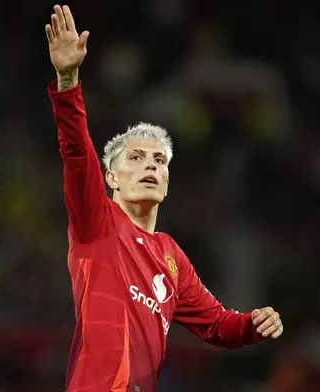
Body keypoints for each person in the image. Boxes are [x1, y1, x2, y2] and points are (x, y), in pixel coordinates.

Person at [45, 5, 283, 391]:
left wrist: (252, 325)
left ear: (168, 181)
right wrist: (68, 80)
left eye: (159, 160)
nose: (150, 166)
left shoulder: (171, 256)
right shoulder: (97, 223)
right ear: (111, 178)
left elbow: (218, 325)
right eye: (136, 159)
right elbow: (76, 153)